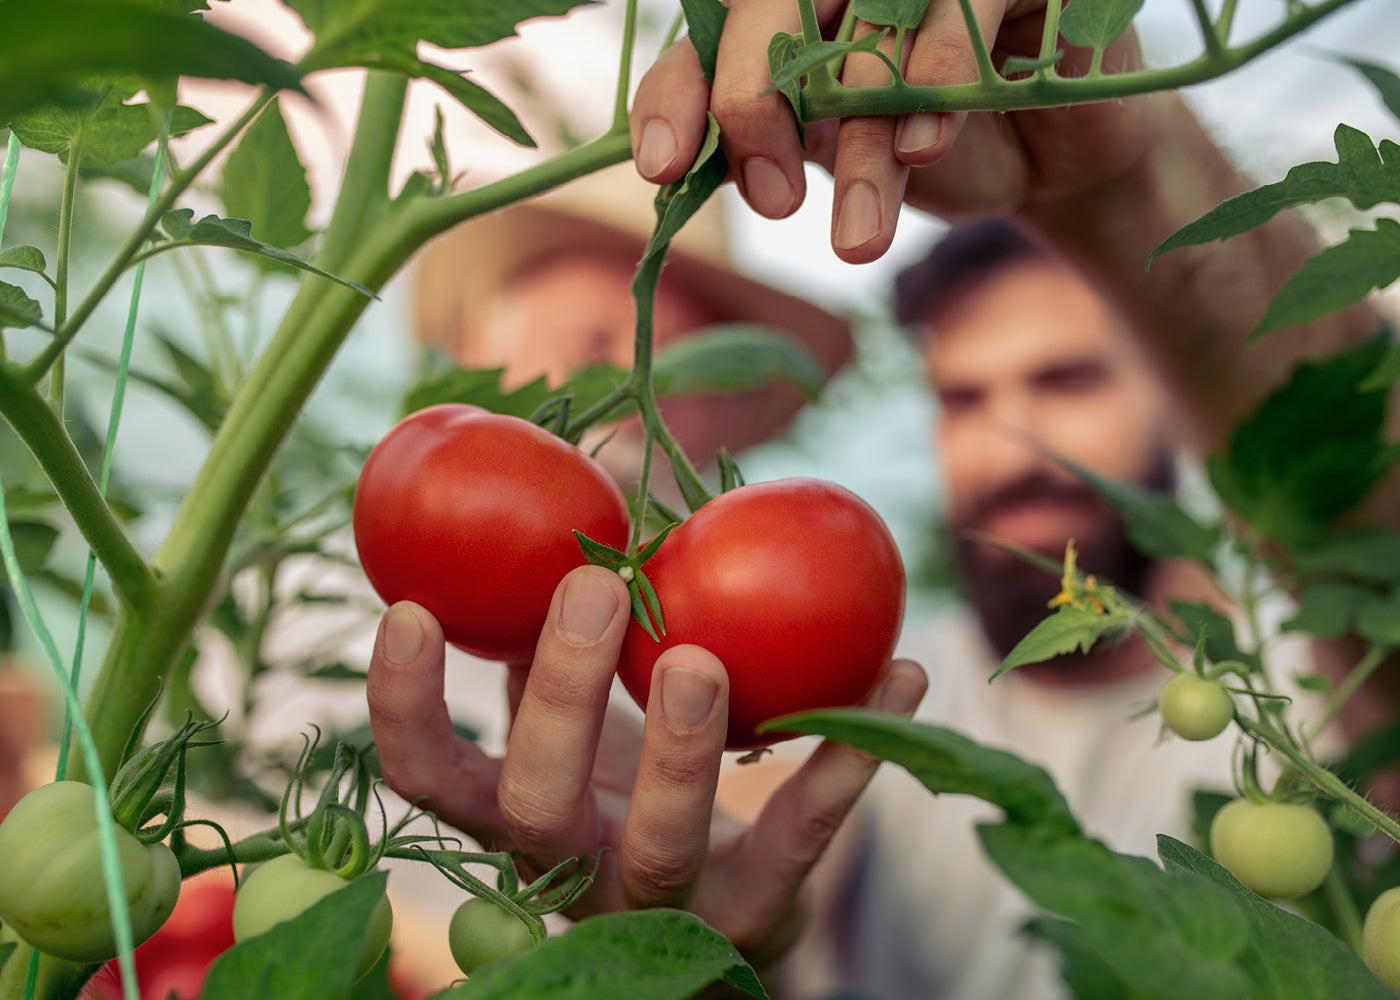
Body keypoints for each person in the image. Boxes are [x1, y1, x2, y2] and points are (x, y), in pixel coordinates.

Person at [365, 1, 1390, 995]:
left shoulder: (1313, 684)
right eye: (962, 397)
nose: (1010, 439)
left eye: (1067, 380)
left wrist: (1129, 190)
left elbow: (1368, 512)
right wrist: (715, 951)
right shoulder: (891, 697)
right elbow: (769, 864)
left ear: (1168, 390)